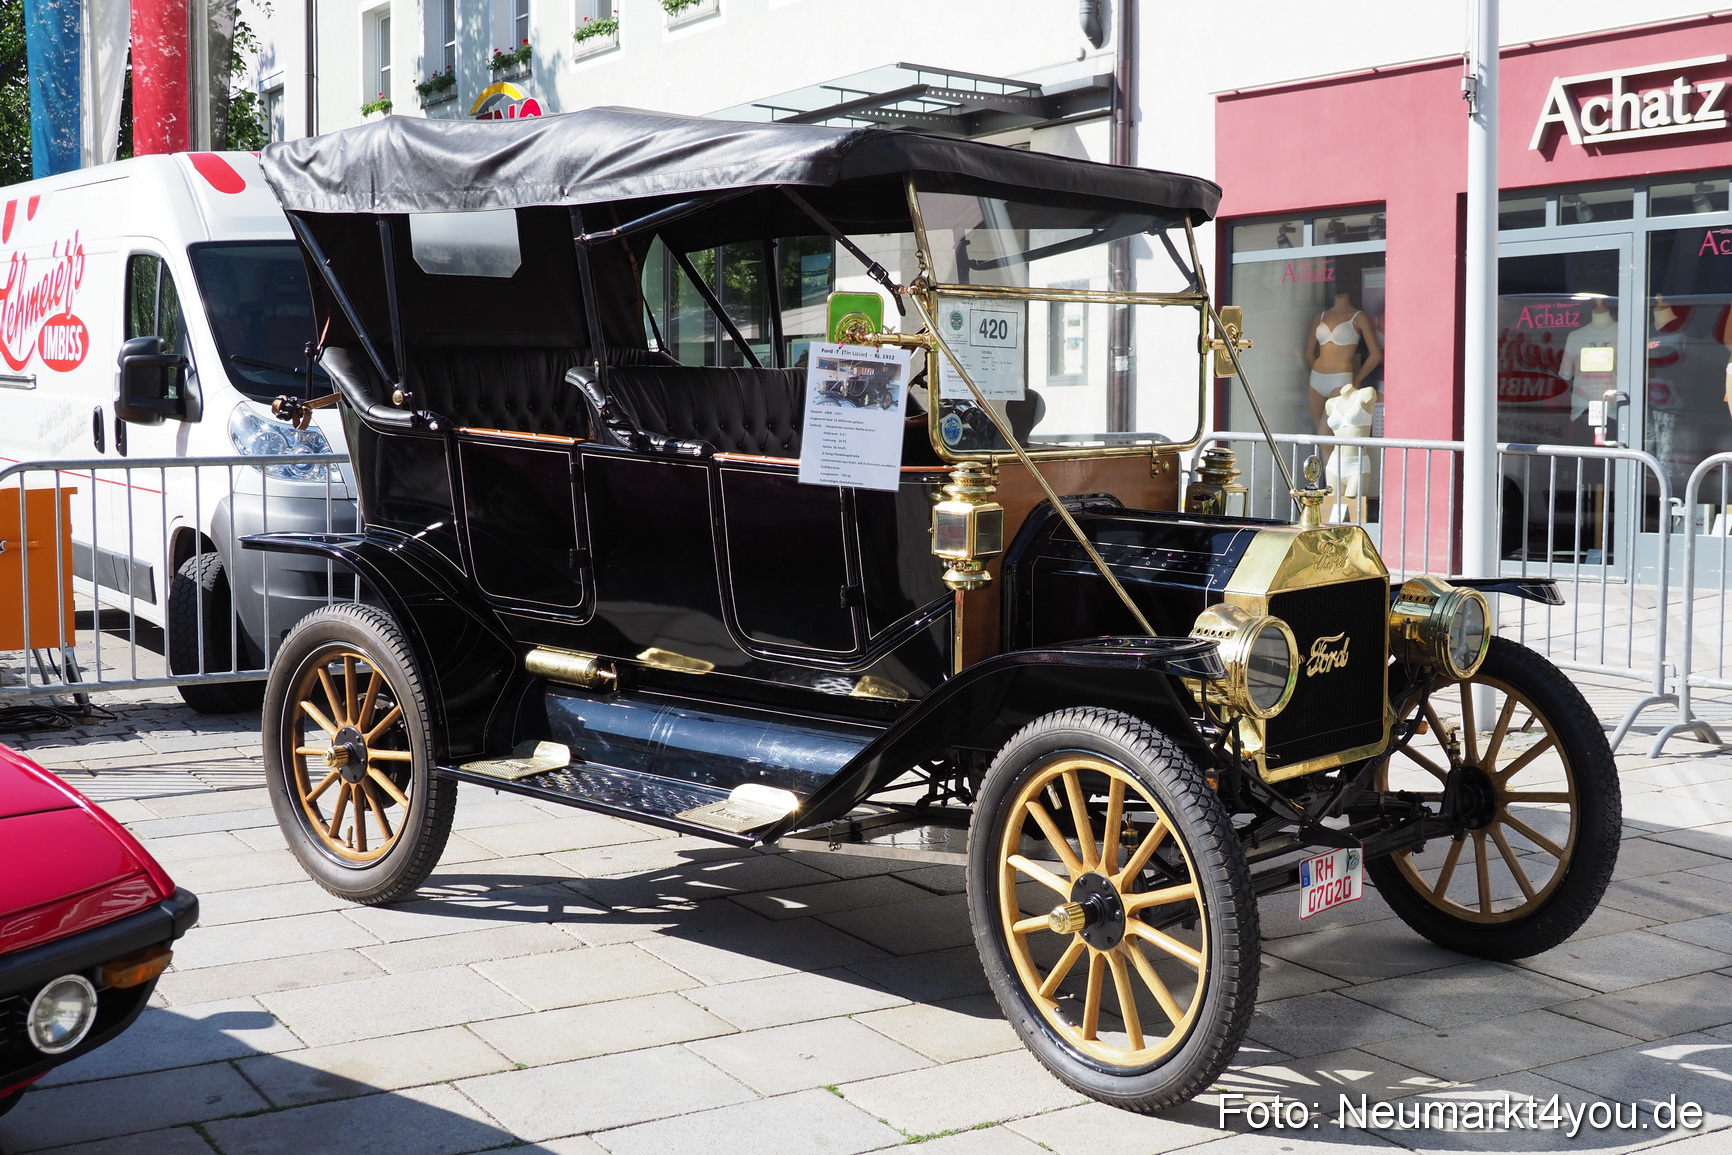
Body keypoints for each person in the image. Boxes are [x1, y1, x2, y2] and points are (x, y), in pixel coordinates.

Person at [1304, 290, 1382, 436]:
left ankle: (1332, 459)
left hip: (1341, 378)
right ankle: (1323, 460)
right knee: (1319, 433)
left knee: (1326, 431)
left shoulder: (1358, 317)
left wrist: (1357, 379)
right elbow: (1308, 353)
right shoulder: (1320, 317)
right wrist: (1317, 370)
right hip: (1316, 378)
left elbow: (1376, 355)